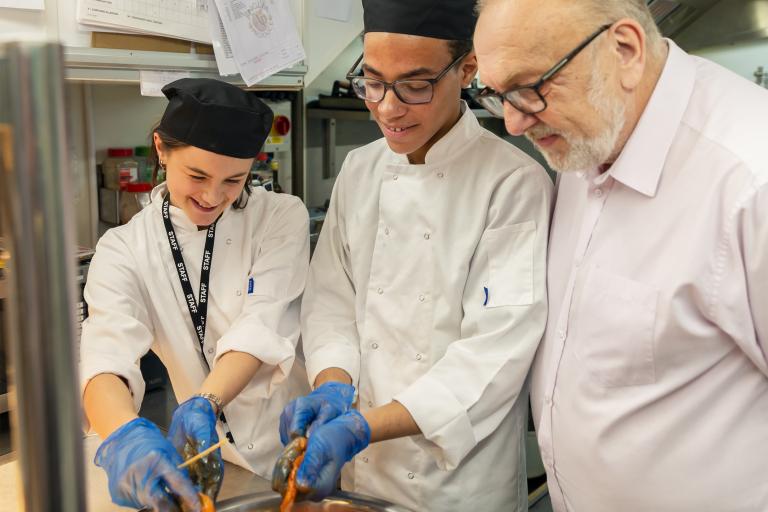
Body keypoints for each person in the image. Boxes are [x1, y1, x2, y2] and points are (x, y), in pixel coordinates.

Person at [474, 1, 768, 510]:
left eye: (529, 88)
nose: (514, 124)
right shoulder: (586, 135)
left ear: (624, 50)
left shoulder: (748, 177)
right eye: (497, 95)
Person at [272, 1, 553, 510]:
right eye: (373, 81)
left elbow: (495, 353)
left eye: (415, 85)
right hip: (359, 471)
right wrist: (333, 385)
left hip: (456, 481)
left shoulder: (513, 183)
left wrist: (360, 427)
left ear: (467, 68)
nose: (387, 108)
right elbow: (332, 300)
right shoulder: (360, 169)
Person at [80, 78, 310, 511]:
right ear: (162, 150)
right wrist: (126, 436)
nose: (212, 196)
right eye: (197, 175)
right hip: (215, 459)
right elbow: (105, 356)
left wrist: (205, 399)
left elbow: (262, 323)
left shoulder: (280, 217)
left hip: (295, 445)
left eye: (234, 180)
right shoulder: (125, 247)